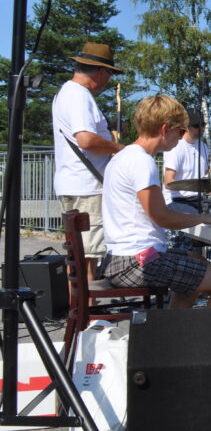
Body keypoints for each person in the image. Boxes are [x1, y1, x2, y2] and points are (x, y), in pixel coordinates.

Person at [98, 95, 211, 308]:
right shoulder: (141, 161)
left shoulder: (124, 156)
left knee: (197, 264)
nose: (181, 138)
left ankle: (174, 335)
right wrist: (203, 218)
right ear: (165, 129)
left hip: (122, 257)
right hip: (136, 263)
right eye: (180, 131)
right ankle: (207, 341)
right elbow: (162, 217)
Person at [52, 42, 125, 281]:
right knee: (89, 256)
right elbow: (85, 139)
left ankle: (80, 309)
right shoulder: (79, 95)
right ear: (101, 72)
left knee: (77, 254)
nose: (107, 82)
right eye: (109, 75)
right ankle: (88, 313)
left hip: (73, 182)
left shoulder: (67, 92)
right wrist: (118, 148)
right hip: (87, 187)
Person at [163, 108, 211, 212]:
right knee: (202, 216)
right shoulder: (175, 147)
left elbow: (204, 176)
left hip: (197, 200)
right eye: (197, 126)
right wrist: (192, 186)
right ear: (186, 127)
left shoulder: (203, 147)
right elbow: (168, 182)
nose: (201, 128)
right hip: (176, 200)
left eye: (203, 125)